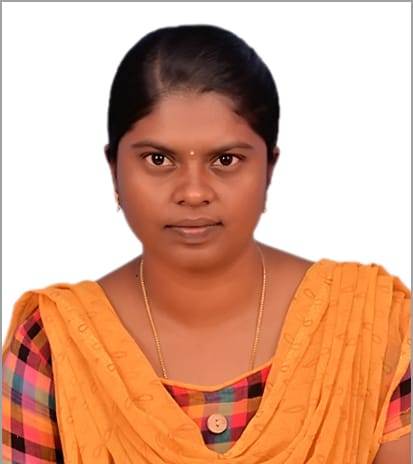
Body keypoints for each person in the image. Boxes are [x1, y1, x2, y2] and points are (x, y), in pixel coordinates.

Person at [2, 24, 410, 464]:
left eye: (226, 160)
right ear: (114, 168)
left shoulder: (374, 325)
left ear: (269, 168)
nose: (194, 192)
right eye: (159, 159)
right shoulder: (53, 344)